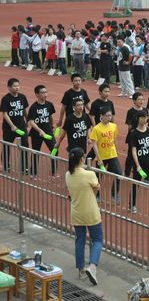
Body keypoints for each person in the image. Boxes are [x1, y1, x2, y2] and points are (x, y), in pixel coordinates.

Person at [65, 147, 102, 285]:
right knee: (97, 239)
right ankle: (92, 266)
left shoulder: (68, 174)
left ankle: (81, 270)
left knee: (80, 240)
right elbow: (97, 187)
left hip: (76, 212)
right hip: (91, 211)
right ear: (82, 159)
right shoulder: (89, 174)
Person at [127, 110, 149, 215]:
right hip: (139, 163)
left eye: (145, 117)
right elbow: (133, 150)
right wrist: (137, 166)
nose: (144, 119)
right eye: (142, 117)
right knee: (135, 184)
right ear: (138, 119)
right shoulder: (133, 133)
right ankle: (132, 205)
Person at [90, 107, 121, 202]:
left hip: (112, 155)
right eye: (107, 116)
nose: (109, 117)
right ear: (101, 116)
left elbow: (115, 139)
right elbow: (94, 145)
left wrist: (116, 152)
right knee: (99, 177)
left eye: (110, 115)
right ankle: (97, 195)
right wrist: (99, 159)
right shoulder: (96, 128)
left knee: (119, 174)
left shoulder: (114, 126)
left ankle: (114, 194)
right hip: (101, 156)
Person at [27, 85, 57, 176]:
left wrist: (51, 126)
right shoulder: (34, 107)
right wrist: (40, 130)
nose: (45, 94)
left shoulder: (49, 104)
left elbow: (50, 116)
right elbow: (31, 122)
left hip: (48, 131)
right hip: (36, 133)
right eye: (43, 93)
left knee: (54, 150)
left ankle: (53, 171)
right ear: (37, 94)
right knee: (36, 152)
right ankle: (33, 172)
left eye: (46, 92)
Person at [1, 78, 29, 171]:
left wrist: (27, 120)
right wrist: (12, 126)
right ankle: (6, 165)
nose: (17, 88)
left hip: (21, 126)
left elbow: (24, 109)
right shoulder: (5, 99)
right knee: (7, 146)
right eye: (14, 86)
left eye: (18, 86)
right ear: (9, 87)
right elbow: (4, 113)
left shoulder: (22, 97)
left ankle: (24, 167)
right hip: (9, 128)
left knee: (25, 146)